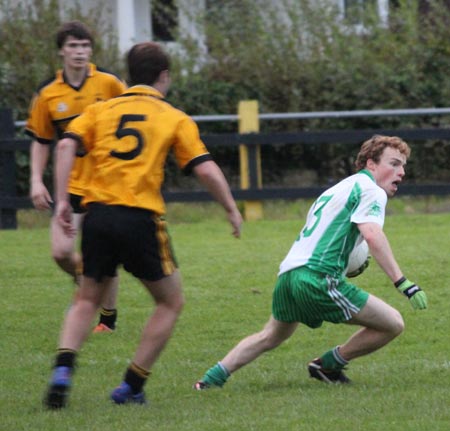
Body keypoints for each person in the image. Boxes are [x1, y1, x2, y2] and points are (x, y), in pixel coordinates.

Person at [43, 41, 243, 409]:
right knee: (170, 301)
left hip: (98, 216)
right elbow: (205, 168)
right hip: (140, 217)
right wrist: (231, 208)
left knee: (87, 297)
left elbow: (65, 146)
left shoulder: (101, 109)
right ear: (163, 77)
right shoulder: (173, 117)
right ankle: (132, 385)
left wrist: (60, 203)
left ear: (127, 77)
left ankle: (63, 370)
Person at [194, 134, 427, 390]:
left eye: (403, 165)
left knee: (270, 335)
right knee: (392, 324)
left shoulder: (337, 189)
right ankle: (327, 365)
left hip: (289, 274)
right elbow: (372, 234)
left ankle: (210, 381)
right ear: (371, 164)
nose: (401, 172)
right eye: (394, 163)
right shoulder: (371, 190)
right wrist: (403, 283)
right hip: (318, 277)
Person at [25, 20, 126, 332]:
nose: (79, 52)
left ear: (91, 50)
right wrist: (36, 180)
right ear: (61, 51)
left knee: (105, 252)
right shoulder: (48, 93)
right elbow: (41, 141)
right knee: (61, 252)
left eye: (84, 46)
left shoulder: (110, 84)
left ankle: (107, 320)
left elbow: (136, 116)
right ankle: (86, 282)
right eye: (73, 46)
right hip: (70, 185)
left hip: (106, 184)